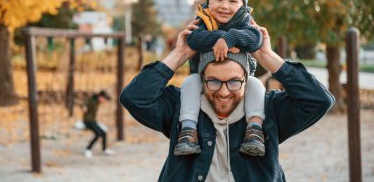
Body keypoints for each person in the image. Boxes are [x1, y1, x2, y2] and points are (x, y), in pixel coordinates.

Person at [119, 21, 335, 181]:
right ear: (201, 79)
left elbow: (318, 100)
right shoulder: (181, 105)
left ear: (246, 80)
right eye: (213, 82)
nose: (223, 92)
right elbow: (134, 98)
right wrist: (178, 55)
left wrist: (268, 57)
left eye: (233, 82)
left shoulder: (270, 110)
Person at [176, 0, 265, 156]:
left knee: (257, 86)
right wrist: (219, 39)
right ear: (209, 1)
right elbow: (194, 38)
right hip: (205, 79)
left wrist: (230, 37)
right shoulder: (203, 19)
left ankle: (255, 130)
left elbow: (256, 38)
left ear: (243, 5)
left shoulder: (245, 21)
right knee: (189, 83)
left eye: (233, 1)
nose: (224, 6)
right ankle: (188, 130)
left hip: (238, 81)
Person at [83, 90, 114, 158]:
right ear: (100, 97)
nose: (104, 101)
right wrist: (84, 106)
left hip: (93, 121)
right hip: (88, 121)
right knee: (98, 134)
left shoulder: (97, 101)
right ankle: (88, 149)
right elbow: (85, 102)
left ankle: (104, 149)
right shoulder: (93, 101)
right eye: (104, 99)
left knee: (104, 133)